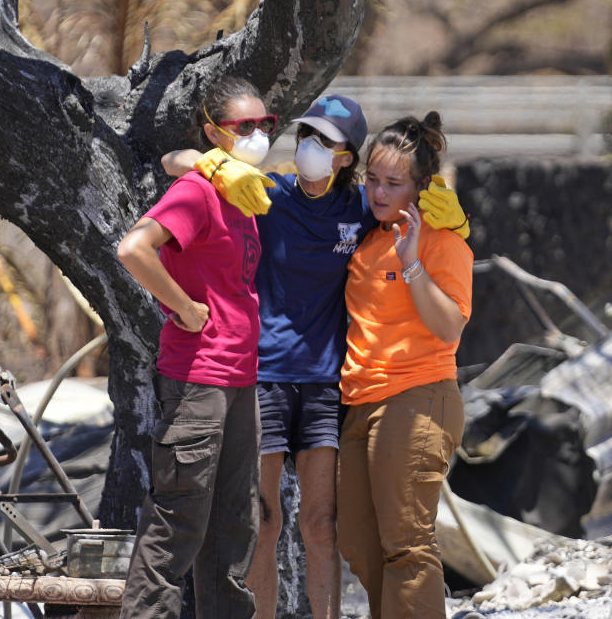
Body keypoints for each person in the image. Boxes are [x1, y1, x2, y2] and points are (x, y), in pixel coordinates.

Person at [162, 95, 468, 619]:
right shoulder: (266, 194)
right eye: (306, 135)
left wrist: (451, 218)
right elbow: (173, 162)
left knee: (325, 525)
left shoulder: (364, 209)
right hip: (267, 377)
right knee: (264, 520)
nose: (310, 147)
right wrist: (211, 162)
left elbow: (415, 213)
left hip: (331, 385)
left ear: (346, 156)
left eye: (326, 141)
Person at [116, 76, 275, 619]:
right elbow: (134, 249)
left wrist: (183, 158)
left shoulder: (242, 192)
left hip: (239, 379)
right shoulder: (199, 191)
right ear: (214, 133)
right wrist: (182, 308)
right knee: (179, 523)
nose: (259, 135)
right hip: (198, 379)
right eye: (245, 126)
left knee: (234, 525)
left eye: (266, 124)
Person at [337, 112, 473, 619]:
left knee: (407, 544)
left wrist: (413, 260)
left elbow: (450, 329)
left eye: (394, 182)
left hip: (418, 397)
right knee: (358, 542)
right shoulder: (368, 240)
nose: (378, 191)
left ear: (421, 186)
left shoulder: (444, 240)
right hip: (360, 401)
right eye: (372, 179)